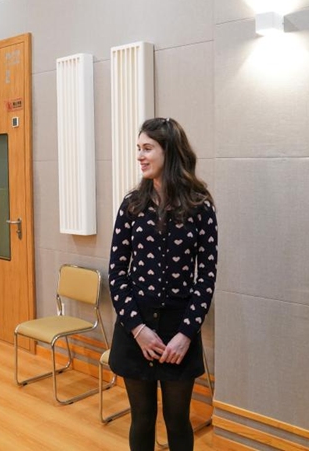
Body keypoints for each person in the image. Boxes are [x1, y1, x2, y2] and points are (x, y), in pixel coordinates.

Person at [108, 117, 218, 451]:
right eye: (138, 148)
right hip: (134, 327)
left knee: (177, 419)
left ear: (168, 152)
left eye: (147, 148)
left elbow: (206, 277)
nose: (140, 156)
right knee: (141, 417)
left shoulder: (201, 207)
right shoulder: (132, 205)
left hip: (178, 329)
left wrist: (186, 335)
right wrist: (138, 329)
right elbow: (116, 273)